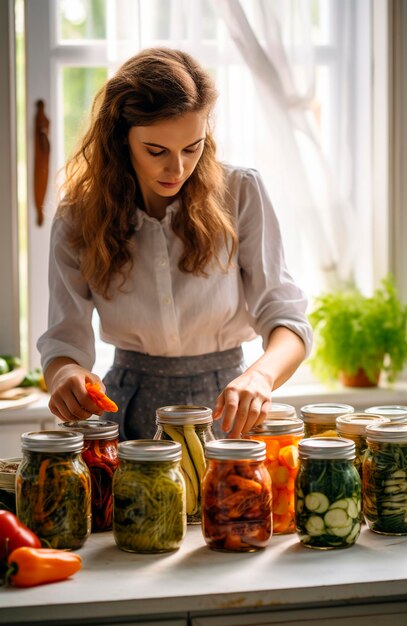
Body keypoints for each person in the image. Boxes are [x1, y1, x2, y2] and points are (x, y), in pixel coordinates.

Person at [37, 47, 313, 440]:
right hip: (127, 410)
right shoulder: (79, 214)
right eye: (156, 151)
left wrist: (261, 377)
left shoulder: (241, 192)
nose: (178, 168)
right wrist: (66, 373)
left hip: (227, 407)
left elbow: (286, 318)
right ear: (121, 138)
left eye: (192, 147)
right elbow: (65, 338)